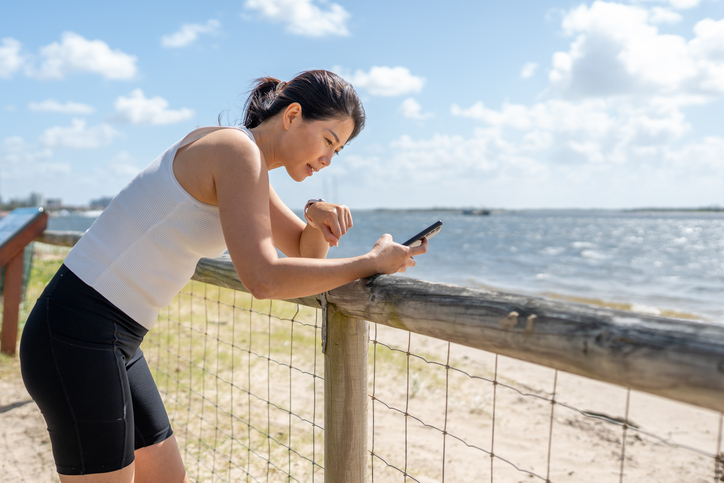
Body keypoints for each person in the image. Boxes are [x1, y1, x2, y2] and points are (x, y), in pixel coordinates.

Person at [19, 69, 428, 482]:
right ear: (292, 116)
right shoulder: (235, 152)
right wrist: (371, 263)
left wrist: (314, 215)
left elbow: (306, 253)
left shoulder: (247, 161)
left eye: (336, 152)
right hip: (77, 332)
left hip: (115, 338)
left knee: (165, 477)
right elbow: (264, 278)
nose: (327, 159)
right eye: (328, 140)